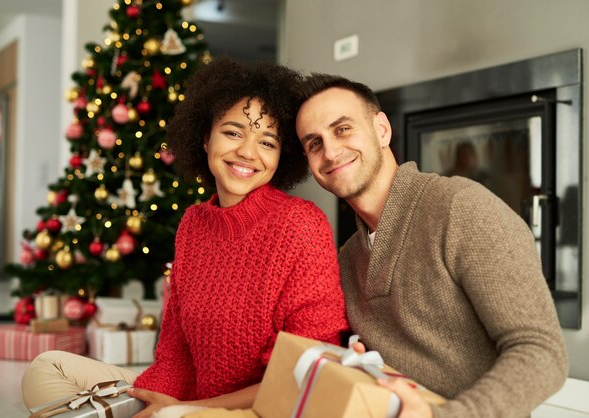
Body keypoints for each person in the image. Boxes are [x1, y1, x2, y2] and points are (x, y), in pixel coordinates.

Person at [21, 58, 349, 418]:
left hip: (257, 410)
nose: (247, 152)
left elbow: (304, 373)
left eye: (267, 141)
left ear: (280, 156)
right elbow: (175, 350)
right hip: (189, 404)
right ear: (205, 138)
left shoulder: (301, 225)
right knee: (48, 368)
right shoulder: (193, 224)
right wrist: (149, 400)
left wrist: (184, 410)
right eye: (233, 132)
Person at [294, 74, 568, 418]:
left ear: (381, 130)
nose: (331, 151)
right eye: (314, 143)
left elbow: (542, 353)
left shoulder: (461, 208)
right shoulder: (347, 258)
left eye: (343, 129)